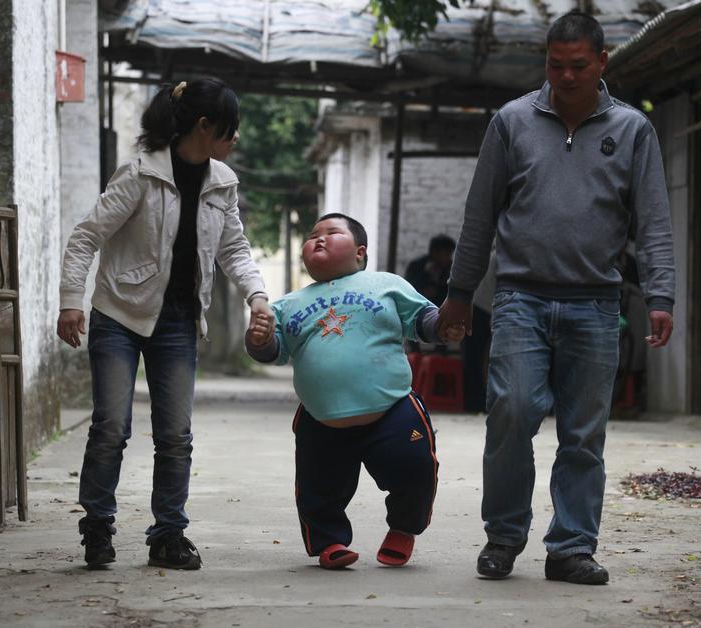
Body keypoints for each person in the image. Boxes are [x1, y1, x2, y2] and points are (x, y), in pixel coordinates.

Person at [436, 11, 675, 585]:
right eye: (555, 65)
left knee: (584, 434)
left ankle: (571, 547)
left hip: (596, 305)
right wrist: (460, 293)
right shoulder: (512, 121)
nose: (566, 76)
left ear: (602, 62)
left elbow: (654, 220)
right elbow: (479, 215)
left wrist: (661, 294)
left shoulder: (633, 129)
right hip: (521, 298)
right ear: (545, 62)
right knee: (511, 412)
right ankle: (504, 536)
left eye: (578, 66)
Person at [57, 78, 274, 570]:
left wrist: (257, 295)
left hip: (177, 322)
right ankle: (98, 525)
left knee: (175, 435)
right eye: (230, 127)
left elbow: (233, 248)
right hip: (118, 315)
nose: (235, 137)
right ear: (205, 126)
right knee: (112, 426)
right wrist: (72, 301)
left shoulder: (222, 182)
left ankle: (168, 535)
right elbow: (87, 236)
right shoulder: (140, 174)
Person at [245, 213, 464, 569]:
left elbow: (423, 319)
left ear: (360, 252)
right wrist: (259, 339)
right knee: (317, 487)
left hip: (392, 409)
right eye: (312, 235)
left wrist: (444, 326)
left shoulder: (385, 284)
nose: (319, 238)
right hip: (321, 419)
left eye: (332, 232)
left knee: (415, 469)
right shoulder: (286, 305)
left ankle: (403, 528)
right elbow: (273, 351)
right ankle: (329, 541)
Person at [404, 234, 456, 305]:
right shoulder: (417, 266)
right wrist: (425, 274)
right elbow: (408, 289)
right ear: (435, 252)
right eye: (447, 254)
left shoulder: (450, 269)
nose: (449, 258)